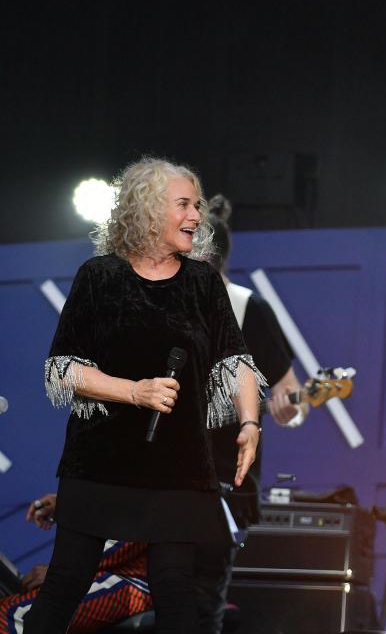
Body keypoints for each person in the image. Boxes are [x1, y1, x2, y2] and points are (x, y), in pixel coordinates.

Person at [27, 158, 266, 633]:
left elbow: (235, 362)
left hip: (178, 467)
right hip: (98, 460)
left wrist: (249, 423)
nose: (196, 216)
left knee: (177, 594)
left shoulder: (202, 283)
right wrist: (133, 391)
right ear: (148, 210)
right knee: (65, 585)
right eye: (184, 204)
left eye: (197, 205)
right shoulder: (98, 277)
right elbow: (64, 368)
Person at [194, 198, 309, 633]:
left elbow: (292, 396)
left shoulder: (247, 310)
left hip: (222, 482)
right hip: (161, 481)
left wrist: (289, 409)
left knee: (200, 604)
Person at [0, 495, 151, 633]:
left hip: (135, 578)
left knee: (11, 615)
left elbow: (139, 525)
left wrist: (64, 569)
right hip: (107, 564)